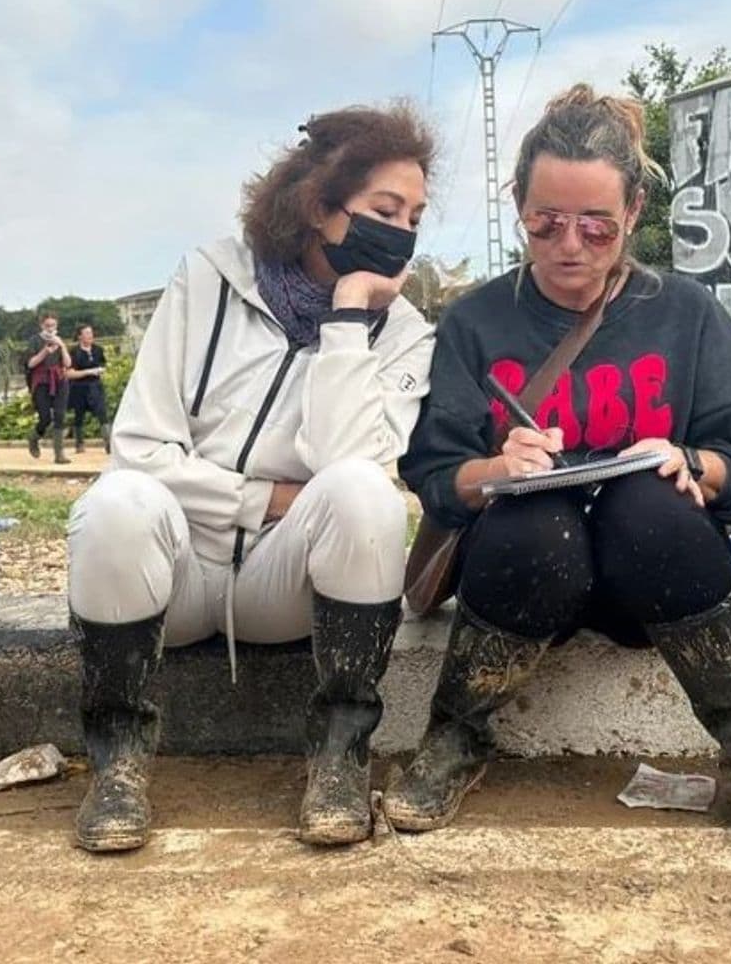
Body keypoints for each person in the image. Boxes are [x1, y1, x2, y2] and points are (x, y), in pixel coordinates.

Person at [388, 84, 731, 862]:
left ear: (633, 214)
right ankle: (455, 736)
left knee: (647, 499)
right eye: (545, 223)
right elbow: (432, 472)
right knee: (529, 514)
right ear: (517, 208)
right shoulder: (474, 321)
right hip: (527, 577)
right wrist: (492, 468)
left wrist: (692, 463)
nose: (570, 246)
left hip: (652, 577)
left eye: (597, 225)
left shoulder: (685, 314)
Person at [65, 103, 436, 850]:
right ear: (318, 207)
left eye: (416, 216)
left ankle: (338, 756)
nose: (401, 233)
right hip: (179, 576)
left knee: (367, 495)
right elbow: (140, 447)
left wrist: (349, 317)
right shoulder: (210, 278)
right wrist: (260, 498)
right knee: (116, 504)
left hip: (284, 585)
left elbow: (348, 466)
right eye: (383, 210)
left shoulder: (404, 334)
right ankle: (119, 761)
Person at [26, 311, 72, 463]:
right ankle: (34, 437)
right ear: (42, 325)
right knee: (45, 417)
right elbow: (31, 363)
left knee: (60, 415)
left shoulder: (59, 341)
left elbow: (67, 364)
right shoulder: (34, 340)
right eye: (47, 325)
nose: (51, 328)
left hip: (59, 380)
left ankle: (59, 455)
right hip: (41, 381)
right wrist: (45, 351)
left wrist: (62, 346)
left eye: (53, 325)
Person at [65, 323, 109, 453]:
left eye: (91, 333)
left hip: (95, 386)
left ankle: (108, 442)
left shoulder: (98, 350)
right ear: (80, 336)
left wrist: (100, 370)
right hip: (79, 387)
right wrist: (88, 372)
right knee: (79, 415)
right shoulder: (74, 352)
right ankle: (79, 444)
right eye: (87, 333)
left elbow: (103, 366)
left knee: (102, 413)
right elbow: (69, 373)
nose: (90, 336)